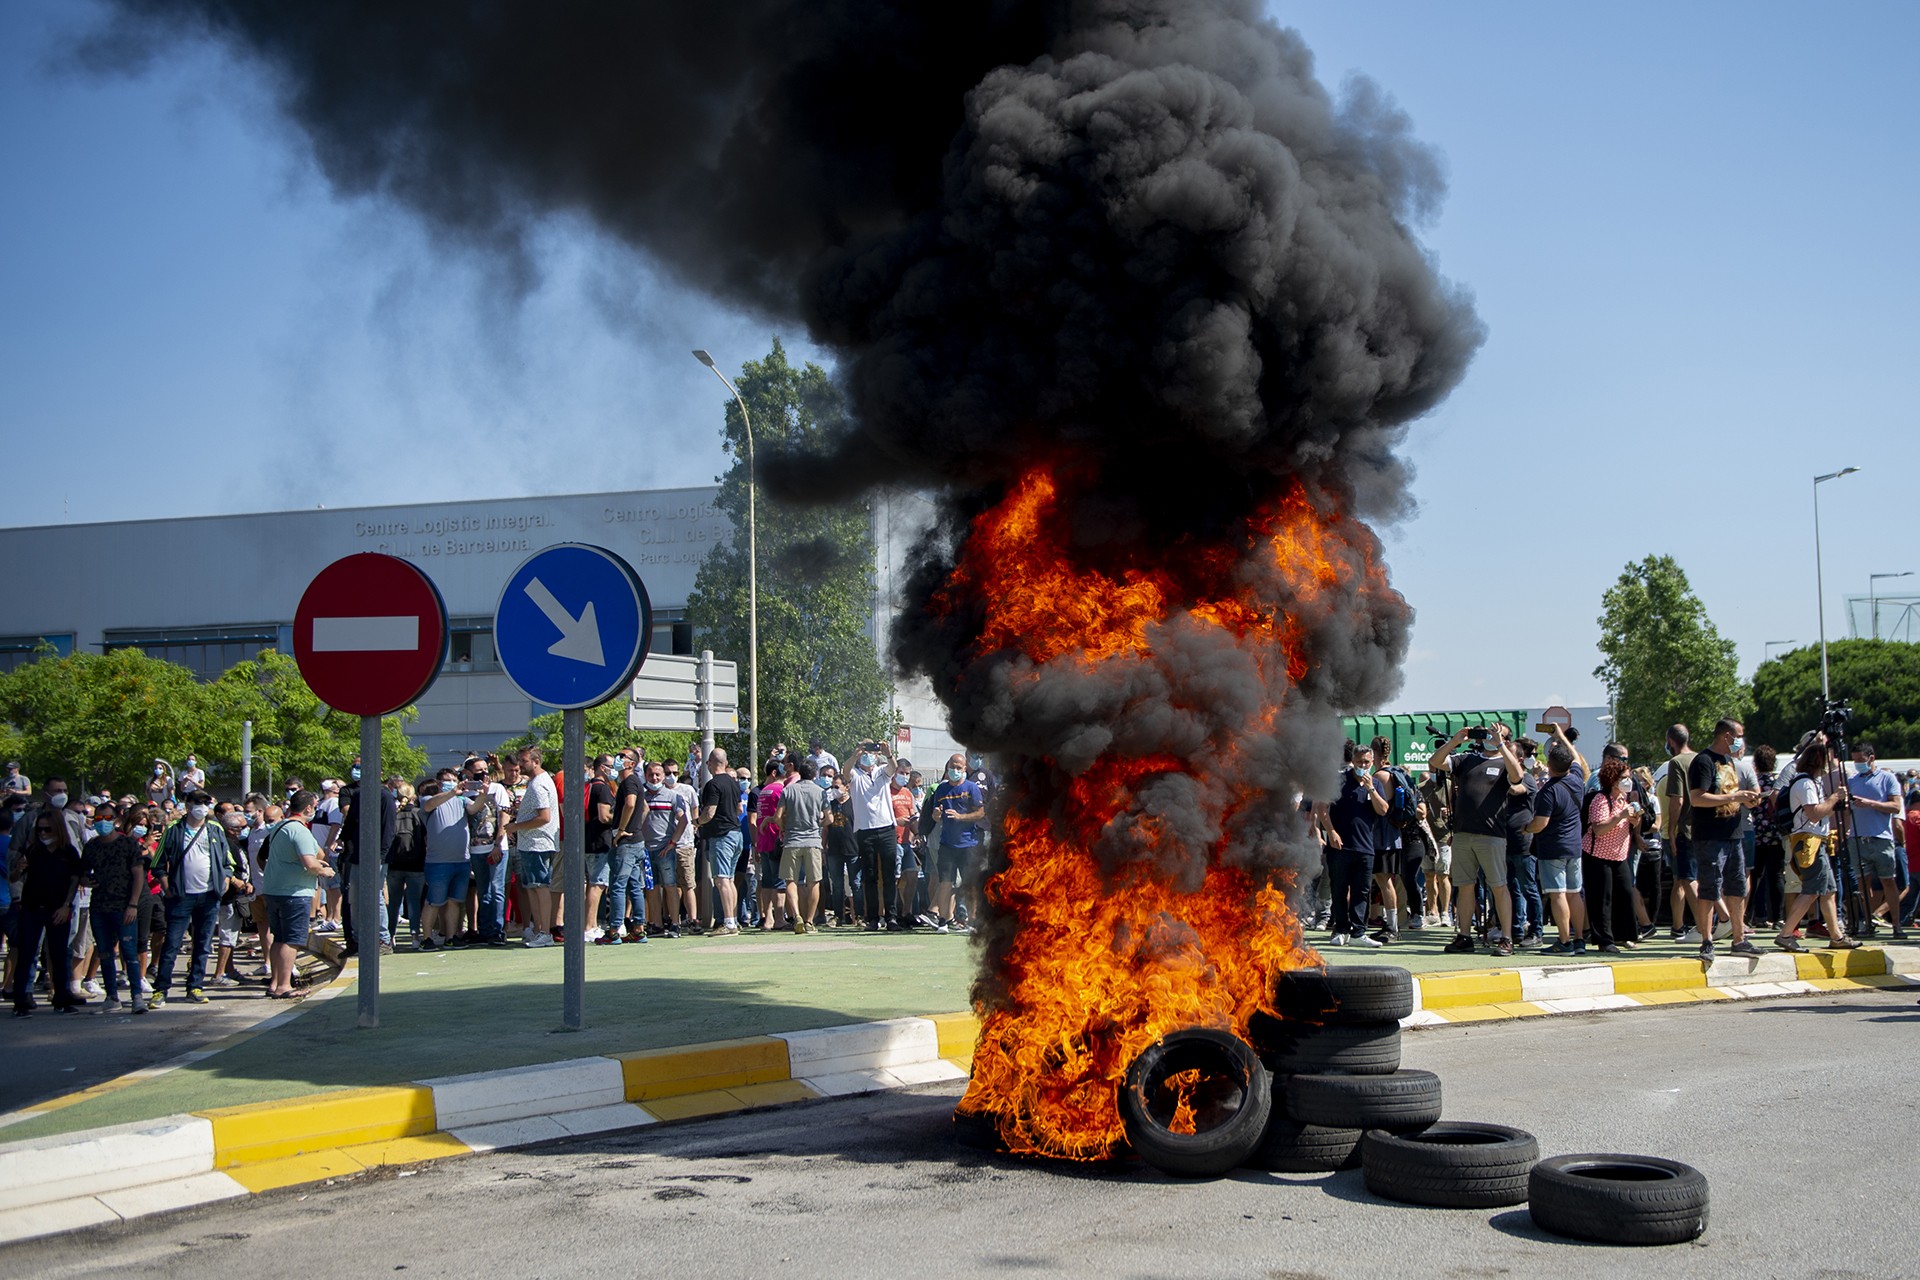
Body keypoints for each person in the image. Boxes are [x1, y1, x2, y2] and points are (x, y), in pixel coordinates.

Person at [1430, 724, 1522, 957]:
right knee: (1465, 885)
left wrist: (1500, 744)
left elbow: (1517, 776)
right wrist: (1455, 741)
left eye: (1497, 732)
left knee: (1499, 886)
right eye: (1488, 734)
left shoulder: (1505, 761)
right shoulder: (1466, 759)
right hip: (1462, 834)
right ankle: (1464, 936)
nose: (1490, 736)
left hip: (1491, 835)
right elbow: (1436, 761)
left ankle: (1506, 938)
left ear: (1506, 738)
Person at [153, 790, 246, 1007]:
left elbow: (228, 861)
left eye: (206, 802)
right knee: (172, 943)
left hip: (209, 896)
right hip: (180, 896)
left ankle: (195, 986)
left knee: (203, 944)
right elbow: (157, 863)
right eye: (197, 802)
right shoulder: (173, 830)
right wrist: (167, 887)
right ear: (187, 806)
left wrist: (225, 879)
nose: (202, 807)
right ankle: (161, 989)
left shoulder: (214, 829)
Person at [1686, 718, 1761, 961]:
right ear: (1726, 735)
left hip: (1733, 834)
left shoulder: (1730, 761)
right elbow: (1698, 798)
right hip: (1710, 836)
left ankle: (1739, 939)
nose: (1741, 740)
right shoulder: (1703, 761)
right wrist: (1736, 796)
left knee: (1737, 886)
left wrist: (1747, 799)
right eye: (1738, 735)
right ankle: (1707, 940)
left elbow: (1732, 796)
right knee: (1709, 887)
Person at [1775, 739, 1860, 953]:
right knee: (1813, 890)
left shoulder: (1808, 782)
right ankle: (1786, 934)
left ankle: (1836, 936)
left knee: (1828, 890)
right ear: (1818, 762)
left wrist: (1832, 803)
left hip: (1813, 841)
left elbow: (1817, 813)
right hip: (1809, 842)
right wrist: (1833, 798)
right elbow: (1814, 814)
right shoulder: (1805, 783)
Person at [259, 790, 334, 997]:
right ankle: (284, 986)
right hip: (294, 892)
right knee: (291, 939)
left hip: (274, 890)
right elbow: (311, 863)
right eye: (315, 807)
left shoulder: (280, 827)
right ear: (308, 808)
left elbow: (317, 853)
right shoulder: (299, 831)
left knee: (279, 938)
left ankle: (275, 983)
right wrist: (324, 870)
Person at [9, 808, 84, 1015]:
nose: (43, 834)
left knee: (59, 954)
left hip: (58, 908)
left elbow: (75, 879)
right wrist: (18, 868)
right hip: (32, 908)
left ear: (57, 830)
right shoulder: (32, 851)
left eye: (47, 830)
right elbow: (14, 878)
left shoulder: (68, 851)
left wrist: (66, 905)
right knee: (26, 953)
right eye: (40, 830)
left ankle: (61, 998)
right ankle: (21, 1001)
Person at [1524, 729, 1588, 955]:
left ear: (1549, 765)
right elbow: (1577, 758)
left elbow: (1540, 823)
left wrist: (1525, 828)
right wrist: (1561, 736)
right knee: (1574, 893)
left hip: (1553, 848)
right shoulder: (1577, 780)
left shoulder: (1548, 791)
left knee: (1557, 893)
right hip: (1574, 847)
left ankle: (1564, 940)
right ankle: (1579, 938)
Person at [1843, 742, 1906, 939]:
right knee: (1863, 882)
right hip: (1857, 838)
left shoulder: (1887, 778)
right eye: (1855, 761)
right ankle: (1868, 922)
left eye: (1860, 760)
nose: (1857, 764)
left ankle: (1897, 925)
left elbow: (1896, 807)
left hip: (1881, 838)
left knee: (1889, 881)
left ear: (1871, 757)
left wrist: (1870, 803)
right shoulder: (1852, 780)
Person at [1581, 756, 1639, 954]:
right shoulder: (1600, 799)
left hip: (1619, 854)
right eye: (1624, 777)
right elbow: (1599, 829)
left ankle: (1624, 934)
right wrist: (1620, 816)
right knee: (1602, 898)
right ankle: (1604, 940)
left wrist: (1634, 820)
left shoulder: (1625, 799)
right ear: (1613, 779)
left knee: (1625, 893)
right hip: (1598, 855)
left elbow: (1630, 825)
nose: (1628, 781)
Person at [418, 768, 479, 951]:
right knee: (434, 901)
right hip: (438, 862)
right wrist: (452, 792)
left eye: (454, 779)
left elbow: (474, 808)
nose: (452, 782)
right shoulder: (428, 800)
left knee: (455, 901)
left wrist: (483, 794)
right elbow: (429, 806)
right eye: (447, 780)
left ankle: (451, 937)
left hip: (461, 860)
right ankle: (427, 938)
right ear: (438, 783)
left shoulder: (462, 800)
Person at [505, 746, 560, 947]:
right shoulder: (539, 782)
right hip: (532, 843)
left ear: (536, 761)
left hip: (538, 843)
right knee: (533, 887)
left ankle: (544, 932)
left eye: (524, 761)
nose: (520, 765)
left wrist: (515, 826)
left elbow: (544, 817)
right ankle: (539, 930)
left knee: (539, 887)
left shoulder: (539, 784)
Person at [847, 740, 901, 931]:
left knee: (889, 875)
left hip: (886, 828)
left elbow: (893, 768)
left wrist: (888, 753)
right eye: (865, 751)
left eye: (871, 751)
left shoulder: (881, 770)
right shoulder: (856, 774)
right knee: (869, 876)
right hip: (865, 830)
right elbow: (845, 773)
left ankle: (891, 917)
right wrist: (855, 754)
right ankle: (872, 918)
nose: (868, 754)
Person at [1660, 725, 1701, 941]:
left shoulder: (1676, 763)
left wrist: (1671, 829)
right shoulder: (1702, 758)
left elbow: (1678, 800)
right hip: (1703, 826)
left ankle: (1704, 925)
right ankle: (1716, 919)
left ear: (1670, 740)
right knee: (1698, 877)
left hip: (1685, 828)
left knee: (1687, 878)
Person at [697, 749, 744, 935]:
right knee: (730, 879)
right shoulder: (733, 783)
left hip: (722, 836)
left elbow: (709, 812)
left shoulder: (713, 785)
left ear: (710, 763)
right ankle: (732, 919)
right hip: (736, 834)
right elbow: (740, 809)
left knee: (722, 879)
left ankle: (729, 923)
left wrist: (696, 822)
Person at [778, 757, 827, 934]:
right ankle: (809, 921)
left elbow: (778, 816)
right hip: (813, 840)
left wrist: (784, 828)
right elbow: (829, 818)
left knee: (791, 880)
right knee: (813, 882)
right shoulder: (821, 792)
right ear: (815, 774)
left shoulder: (788, 790)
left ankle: (796, 915)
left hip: (792, 840)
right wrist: (817, 824)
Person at [583, 754, 620, 942]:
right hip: (600, 841)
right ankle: (589, 926)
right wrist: (622, 817)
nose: (614, 769)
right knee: (597, 884)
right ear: (601, 767)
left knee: (594, 883)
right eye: (611, 765)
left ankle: (590, 924)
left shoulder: (589, 786)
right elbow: (605, 816)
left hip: (589, 840)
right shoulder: (602, 789)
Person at [752, 759, 787, 932]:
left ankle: (768, 917)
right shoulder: (781, 790)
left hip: (763, 839)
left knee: (766, 880)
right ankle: (779, 918)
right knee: (779, 880)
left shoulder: (764, 791)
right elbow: (781, 815)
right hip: (775, 838)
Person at [1416, 765, 1452, 929]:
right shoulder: (1421, 788)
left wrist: (1450, 811)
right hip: (1426, 835)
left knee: (1443, 874)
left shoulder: (1450, 786)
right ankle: (1432, 912)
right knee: (1429, 875)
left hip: (1444, 836)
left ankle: (1445, 913)